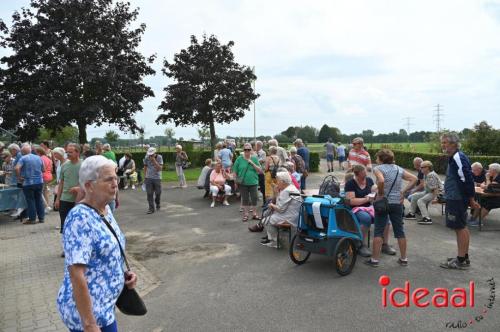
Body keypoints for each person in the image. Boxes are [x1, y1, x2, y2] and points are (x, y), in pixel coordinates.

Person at [56, 155, 137, 332]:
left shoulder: (105, 209)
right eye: (109, 179)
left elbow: (106, 250)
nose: (115, 183)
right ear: (89, 186)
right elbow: (76, 274)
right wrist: (89, 324)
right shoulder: (79, 218)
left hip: (105, 306)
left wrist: (123, 275)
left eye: (116, 177)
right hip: (90, 314)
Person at [365, 149, 417, 267]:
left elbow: (381, 180)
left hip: (383, 203)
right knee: (400, 231)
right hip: (397, 203)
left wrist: (381, 193)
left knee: (378, 231)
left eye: (377, 158)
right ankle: (404, 259)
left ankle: (374, 260)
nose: (376, 160)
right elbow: (414, 179)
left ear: (382, 159)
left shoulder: (378, 168)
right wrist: (403, 192)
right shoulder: (399, 169)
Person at [439, 133, 479, 270]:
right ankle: (463, 257)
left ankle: (460, 260)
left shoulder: (458, 157)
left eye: (445, 142)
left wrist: (472, 199)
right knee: (462, 226)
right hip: (455, 197)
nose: (443, 145)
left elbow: (468, 179)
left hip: (457, 198)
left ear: (454, 144)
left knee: (459, 228)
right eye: (442, 142)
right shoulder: (454, 157)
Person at [260, 171, 301, 248]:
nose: (276, 183)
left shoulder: (287, 191)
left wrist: (272, 205)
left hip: (289, 217)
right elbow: (281, 203)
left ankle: (276, 242)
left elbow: (280, 209)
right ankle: (273, 238)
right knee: (266, 214)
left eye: (278, 181)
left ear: (283, 182)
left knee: (265, 220)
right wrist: (276, 193)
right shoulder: (290, 187)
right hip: (292, 214)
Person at [345, 165, 376, 257]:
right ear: (357, 175)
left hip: (369, 207)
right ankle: (360, 244)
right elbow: (351, 201)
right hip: (355, 208)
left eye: (366, 173)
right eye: (363, 175)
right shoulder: (350, 183)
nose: (365, 176)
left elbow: (375, 190)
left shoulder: (369, 180)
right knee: (366, 218)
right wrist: (366, 199)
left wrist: (376, 191)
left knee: (385, 216)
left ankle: (383, 243)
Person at [404, 160, 443, 225]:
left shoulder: (431, 175)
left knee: (420, 201)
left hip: (434, 193)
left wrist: (436, 198)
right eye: (420, 167)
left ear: (427, 167)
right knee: (414, 196)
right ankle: (411, 213)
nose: (420, 168)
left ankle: (427, 218)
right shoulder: (426, 174)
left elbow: (435, 189)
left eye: (422, 167)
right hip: (428, 191)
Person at [55, 143, 82, 235]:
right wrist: (58, 199)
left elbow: (87, 181)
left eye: (70, 152)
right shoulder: (64, 165)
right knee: (64, 226)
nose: (68, 154)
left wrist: (78, 187)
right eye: (67, 152)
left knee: (77, 226)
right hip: (65, 199)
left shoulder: (84, 165)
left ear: (77, 152)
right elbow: (61, 183)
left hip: (79, 200)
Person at [15, 143, 45, 224]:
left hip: (28, 183)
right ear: (30, 150)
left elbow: (17, 168)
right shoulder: (38, 158)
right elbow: (43, 170)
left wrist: (19, 177)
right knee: (39, 199)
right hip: (39, 182)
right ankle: (41, 218)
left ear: (22, 152)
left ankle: (32, 219)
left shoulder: (22, 158)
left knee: (30, 201)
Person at [232, 143, 262, 222]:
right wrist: (235, 181)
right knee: (245, 199)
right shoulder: (239, 159)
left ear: (251, 150)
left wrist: (252, 163)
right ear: (243, 150)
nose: (247, 151)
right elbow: (235, 171)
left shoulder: (255, 158)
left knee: (254, 198)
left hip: (253, 182)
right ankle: (246, 214)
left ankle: (254, 214)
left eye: (249, 149)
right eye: (245, 150)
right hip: (243, 183)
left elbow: (260, 170)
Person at [144, 147, 163, 214]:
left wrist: (154, 160)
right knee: (149, 194)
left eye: (152, 154)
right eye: (149, 155)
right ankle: (151, 208)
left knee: (158, 193)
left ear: (155, 153)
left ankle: (157, 202)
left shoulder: (159, 157)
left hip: (157, 178)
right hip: (149, 177)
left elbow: (159, 169)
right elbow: (145, 167)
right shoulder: (146, 158)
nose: (150, 156)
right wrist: (145, 177)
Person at [35, 145, 53, 213]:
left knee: (40, 192)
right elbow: (51, 168)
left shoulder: (40, 159)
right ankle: (47, 205)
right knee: (46, 192)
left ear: (39, 152)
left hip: (43, 176)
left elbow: (41, 169)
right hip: (49, 176)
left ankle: (46, 206)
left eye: (36, 152)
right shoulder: (48, 158)